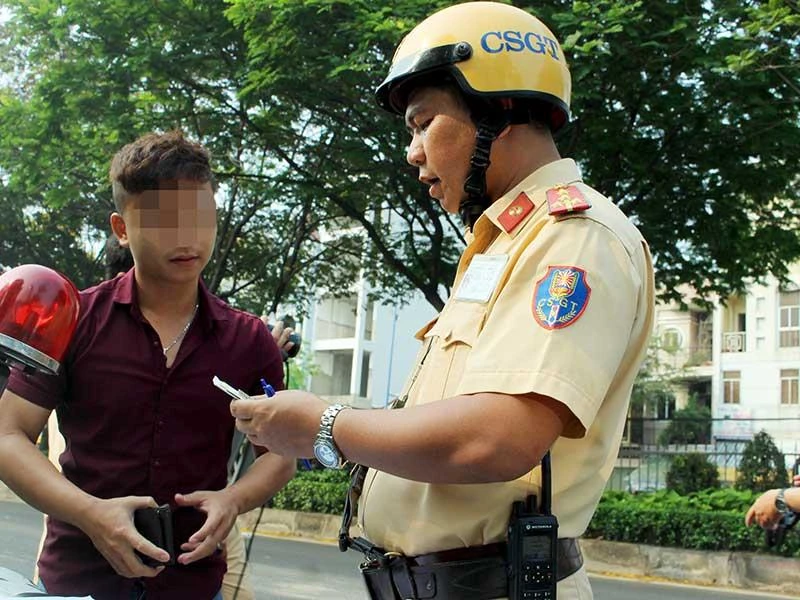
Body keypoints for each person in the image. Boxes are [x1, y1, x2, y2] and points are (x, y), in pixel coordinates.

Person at [230, 2, 655, 599]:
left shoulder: (574, 237)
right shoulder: (505, 243)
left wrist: (325, 425)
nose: (412, 152)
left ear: (498, 110)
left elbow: (497, 439)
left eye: (423, 123)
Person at [0, 130, 295, 600]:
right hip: (79, 581)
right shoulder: (73, 320)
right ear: (122, 228)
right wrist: (90, 514)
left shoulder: (248, 339)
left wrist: (233, 499)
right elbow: (8, 436)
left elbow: (280, 453)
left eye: (200, 218)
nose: (187, 237)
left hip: (193, 584)